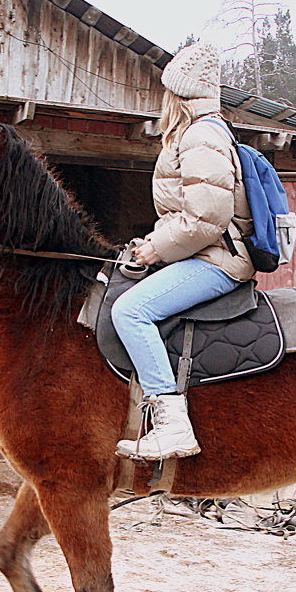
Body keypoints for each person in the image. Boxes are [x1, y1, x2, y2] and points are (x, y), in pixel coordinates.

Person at [112, 41, 256, 460]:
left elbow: (208, 217)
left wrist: (156, 249)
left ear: (179, 94)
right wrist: (149, 243)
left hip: (218, 260)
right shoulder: (200, 133)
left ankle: (172, 426)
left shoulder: (201, 135)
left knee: (131, 311)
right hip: (204, 252)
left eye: (167, 91)